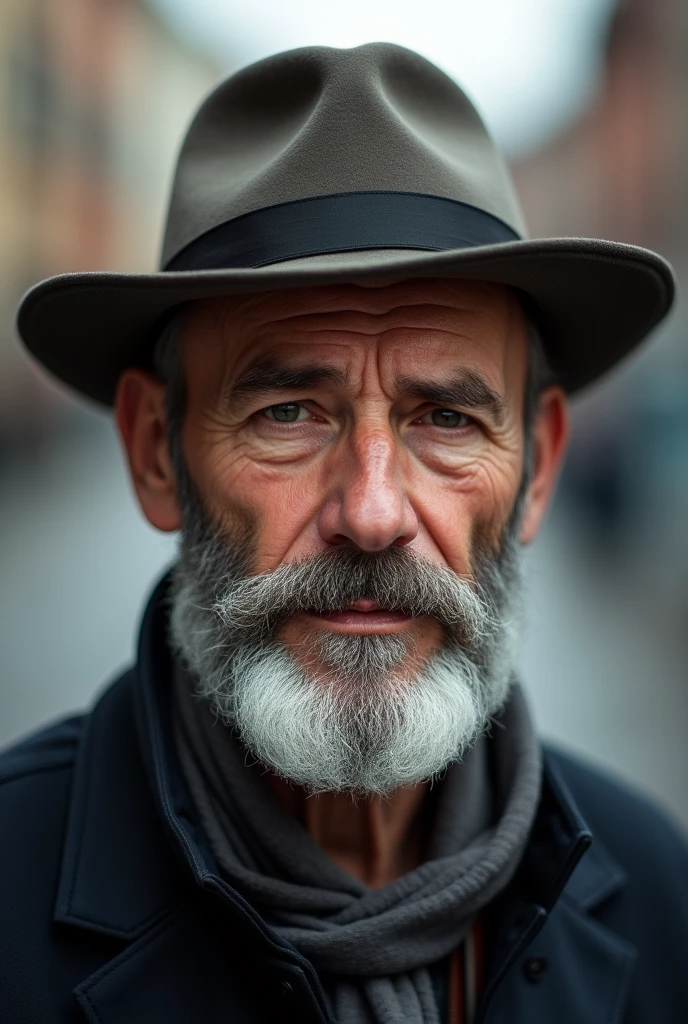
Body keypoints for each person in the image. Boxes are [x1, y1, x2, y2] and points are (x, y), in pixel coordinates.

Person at [3, 43, 686, 1024]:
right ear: (158, 452)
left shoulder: (658, 894)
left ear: (536, 465)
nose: (371, 514)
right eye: (289, 413)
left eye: (445, 419)